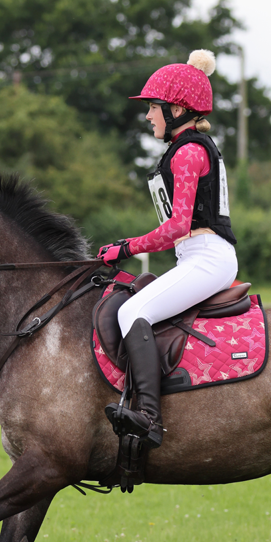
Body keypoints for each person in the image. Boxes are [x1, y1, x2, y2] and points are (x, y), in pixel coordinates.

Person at [97, 49, 238, 450]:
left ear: (176, 109)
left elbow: (177, 226)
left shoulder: (189, 152)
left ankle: (149, 417)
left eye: (153, 108)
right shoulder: (186, 148)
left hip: (207, 257)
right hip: (198, 255)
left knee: (132, 311)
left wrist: (126, 247)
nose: (148, 116)